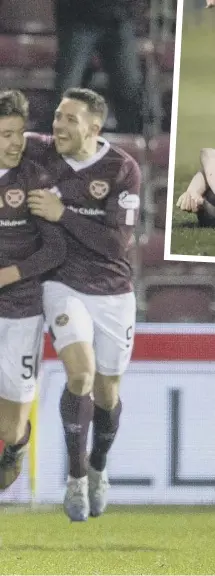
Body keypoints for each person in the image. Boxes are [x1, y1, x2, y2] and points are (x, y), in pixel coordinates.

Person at [25, 87, 141, 522]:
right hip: (62, 283)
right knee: (81, 374)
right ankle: (74, 480)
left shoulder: (122, 169)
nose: (58, 125)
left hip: (112, 291)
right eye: (57, 116)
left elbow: (115, 244)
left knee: (108, 393)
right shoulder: (39, 151)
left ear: (94, 127)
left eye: (69, 120)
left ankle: (97, 468)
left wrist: (63, 214)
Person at [0, 90, 66, 490]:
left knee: (10, 425)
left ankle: (17, 445)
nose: (14, 143)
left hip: (21, 310)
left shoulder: (35, 179)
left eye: (19, 133)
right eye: (5, 134)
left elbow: (56, 249)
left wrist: (9, 275)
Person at [52, 0, 143, 134]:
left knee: (129, 86)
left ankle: (130, 145)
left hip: (117, 16)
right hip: (77, 17)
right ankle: (62, 142)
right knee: (68, 89)